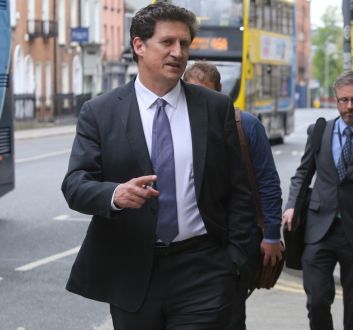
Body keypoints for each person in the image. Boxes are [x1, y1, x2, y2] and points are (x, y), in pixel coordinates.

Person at [61, 3, 255, 329]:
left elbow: (238, 190)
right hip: (133, 270)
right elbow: (75, 184)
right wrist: (115, 194)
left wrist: (234, 261)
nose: (178, 53)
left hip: (203, 269)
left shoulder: (214, 107)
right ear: (139, 45)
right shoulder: (100, 112)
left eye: (184, 44)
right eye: (167, 42)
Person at [283, 71, 353, 330]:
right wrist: (291, 206)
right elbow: (303, 173)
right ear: (336, 100)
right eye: (343, 100)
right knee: (318, 300)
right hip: (318, 230)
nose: (349, 106)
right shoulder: (320, 131)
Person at [184, 61, 284, 330]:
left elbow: (268, 183)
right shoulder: (178, 126)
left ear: (220, 94)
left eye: (208, 93)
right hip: (192, 246)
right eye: (193, 92)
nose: (201, 100)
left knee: (229, 317)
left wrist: (272, 234)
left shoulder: (246, 126)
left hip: (236, 241)